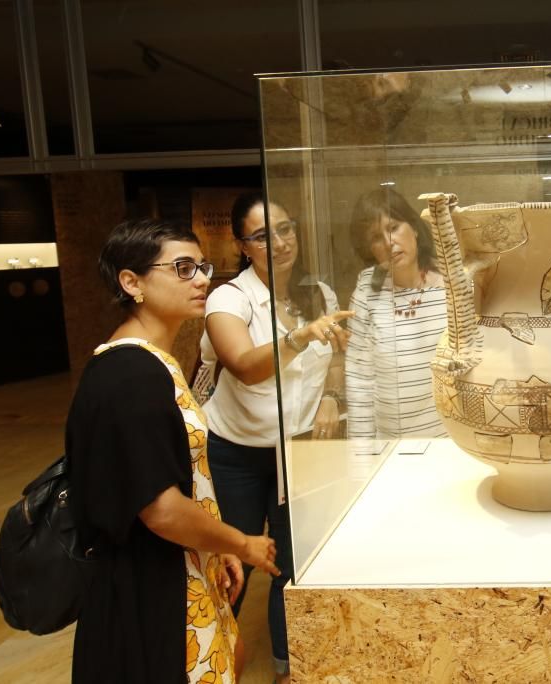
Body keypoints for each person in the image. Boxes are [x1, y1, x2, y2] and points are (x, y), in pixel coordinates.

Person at [68, 218, 279, 683]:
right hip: (152, 587)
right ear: (132, 282)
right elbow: (160, 510)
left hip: (179, 570)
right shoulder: (129, 375)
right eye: (183, 268)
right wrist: (241, 542)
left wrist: (212, 546)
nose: (203, 278)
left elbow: (183, 482)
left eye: (202, 266)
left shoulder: (151, 362)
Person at [201, 192, 353, 684]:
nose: (280, 242)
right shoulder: (230, 298)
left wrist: (331, 394)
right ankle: (211, 665)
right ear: (244, 246)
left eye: (286, 229)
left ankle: (290, 667)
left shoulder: (319, 293)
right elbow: (245, 367)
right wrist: (301, 335)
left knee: (295, 561)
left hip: (300, 449)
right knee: (234, 563)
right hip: (236, 455)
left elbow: (338, 357)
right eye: (264, 235)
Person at [345, 188, 448, 439]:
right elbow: (359, 379)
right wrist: (361, 457)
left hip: (448, 443)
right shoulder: (367, 288)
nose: (389, 243)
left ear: (413, 227)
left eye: (393, 228)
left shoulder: (452, 284)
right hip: (390, 447)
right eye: (376, 237)